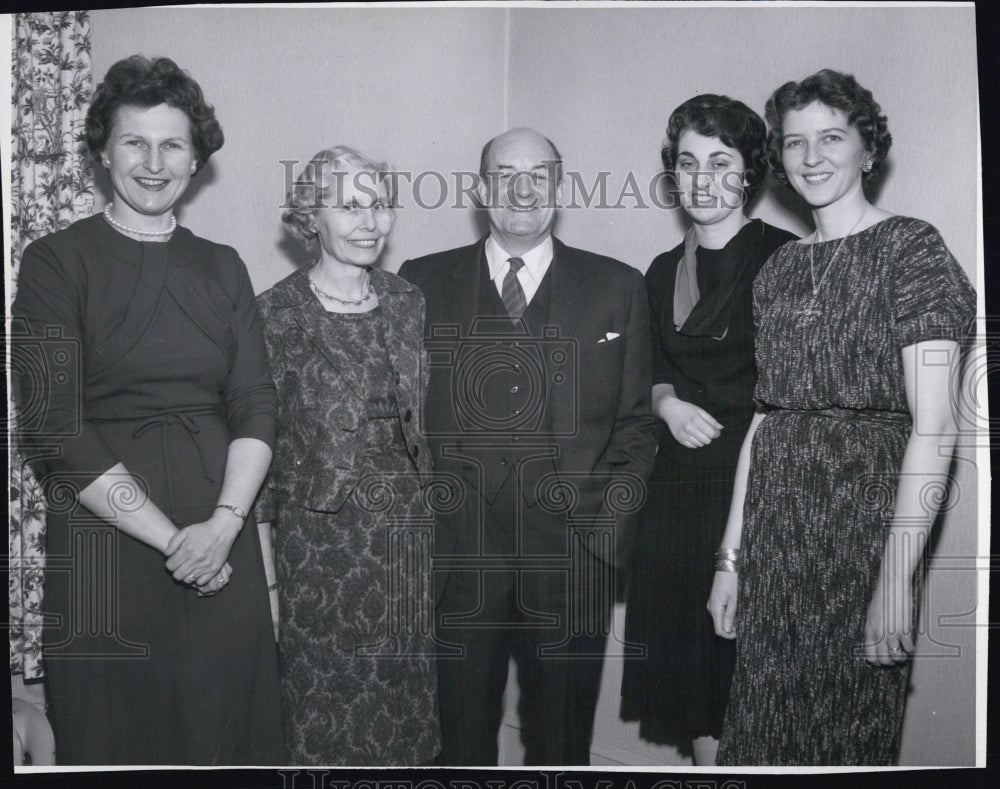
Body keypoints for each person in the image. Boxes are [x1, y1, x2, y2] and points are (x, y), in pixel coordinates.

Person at [11, 55, 284, 765]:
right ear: (104, 151)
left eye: (173, 145)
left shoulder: (224, 266)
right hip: (110, 542)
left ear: (196, 159)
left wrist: (223, 526)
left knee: (228, 737)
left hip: (221, 540)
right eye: (136, 142)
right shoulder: (55, 262)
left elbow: (256, 405)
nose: (154, 162)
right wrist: (174, 541)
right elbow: (55, 428)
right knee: (116, 736)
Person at [707, 69, 976, 765]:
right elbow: (765, 421)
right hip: (774, 531)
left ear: (868, 150)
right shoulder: (778, 270)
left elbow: (936, 427)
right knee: (758, 734)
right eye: (794, 143)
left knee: (845, 736)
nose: (812, 156)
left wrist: (896, 575)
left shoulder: (914, 250)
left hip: (864, 533)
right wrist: (731, 559)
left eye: (831, 137)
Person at [398, 127, 658, 765]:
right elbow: (400, 420)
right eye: (504, 174)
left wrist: (604, 538)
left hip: (572, 564)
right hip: (457, 559)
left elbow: (636, 426)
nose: (521, 189)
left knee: (562, 746)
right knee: (457, 743)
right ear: (481, 189)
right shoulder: (419, 282)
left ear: (558, 186)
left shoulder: (618, 287)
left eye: (537, 174)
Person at [620, 95, 797, 765]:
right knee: (693, 680)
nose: (701, 179)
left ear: (749, 172)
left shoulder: (784, 259)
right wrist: (665, 405)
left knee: (744, 677)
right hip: (675, 495)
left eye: (720, 163)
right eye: (688, 163)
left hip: (752, 488)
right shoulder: (663, 270)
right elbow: (649, 370)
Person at [254, 146, 439, 765]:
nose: (370, 221)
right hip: (321, 545)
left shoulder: (408, 300)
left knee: (405, 703)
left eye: (380, 205)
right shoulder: (274, 314)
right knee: (324, 711)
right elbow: (262, 444)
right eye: (349, 206)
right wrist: (268, 572)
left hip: (405, 537)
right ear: (312, 218)